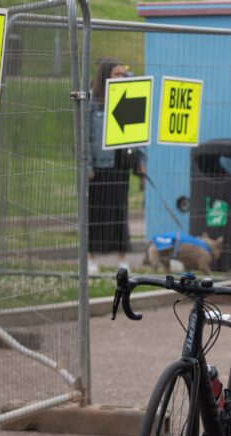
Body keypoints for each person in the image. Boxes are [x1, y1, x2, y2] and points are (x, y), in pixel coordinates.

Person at [87, 57, 146, 275]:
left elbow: (139, 131)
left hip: (121, 164)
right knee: (95, 213)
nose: (121, 78)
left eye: (123, 73)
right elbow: (85, 136)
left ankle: (122, 259)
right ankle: (90, 257)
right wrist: (87, 166)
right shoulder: (93, 102)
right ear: (106, 76)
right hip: (100, 167)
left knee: (120, 212)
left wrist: (141, 162)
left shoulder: (129, 96)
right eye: (117, 74)